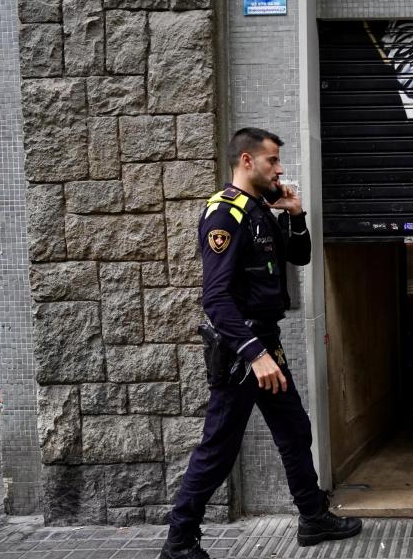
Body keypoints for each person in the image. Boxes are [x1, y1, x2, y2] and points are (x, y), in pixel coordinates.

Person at [159, 128, 362, 559]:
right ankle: (179, 542)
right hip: (242, 351)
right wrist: (254, 354)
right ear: (247, 160)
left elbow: (300, 257)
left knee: (295, 430)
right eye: (272, 160)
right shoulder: (225, 214)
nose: (281, 168)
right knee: (219, 448)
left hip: (265, 343)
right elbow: (215, 299)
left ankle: (313, 517)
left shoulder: (258, 211)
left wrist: (295, 214)